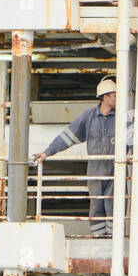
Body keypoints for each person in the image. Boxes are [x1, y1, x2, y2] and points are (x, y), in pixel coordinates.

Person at [33, 77, 126, 238]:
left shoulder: (122, 118)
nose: (118, 99)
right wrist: (48, 152)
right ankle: (98, 239)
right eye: (115, 95)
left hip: (116, 169)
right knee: (97, 206)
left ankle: (113, 240)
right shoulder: (88, 117)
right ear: (105, 97)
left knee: (114, 205)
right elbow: (68, 136)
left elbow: (134, 141)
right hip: (95, 172)